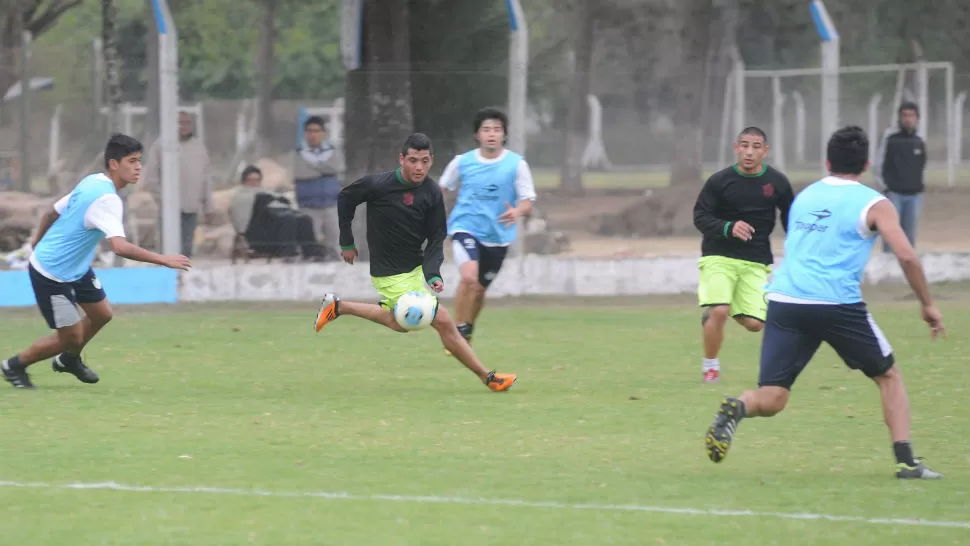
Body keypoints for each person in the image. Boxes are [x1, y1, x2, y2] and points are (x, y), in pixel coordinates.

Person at [704, 125, 945, 480]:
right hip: (835, 304)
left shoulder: (806, 196)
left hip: (785, 299)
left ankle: (739, 405)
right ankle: (907, 463)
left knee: (772, 396)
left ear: (827, 161)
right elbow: (907, 256)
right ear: (865, 164)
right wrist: (927, 304)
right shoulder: (875, 203)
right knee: (888, 375)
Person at [313, 133, 517, 392]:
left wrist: (433, 273)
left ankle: (338, 307)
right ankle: (489, 378)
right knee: (442, 321)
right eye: (412, 160)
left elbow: (435, 238)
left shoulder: (431, 192)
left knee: (400, 323)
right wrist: (346, 241)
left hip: (414, 270)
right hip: (388, 273)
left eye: (424, 161)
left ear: (431, 161)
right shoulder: (379, 185)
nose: (419, 167)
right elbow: (346, 198)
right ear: (402, 159)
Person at [2, 134, 192, 390]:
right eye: (132, 161)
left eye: (139, 161)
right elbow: (120, 247)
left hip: (76, 268)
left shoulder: (93, 181)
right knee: (71, 337)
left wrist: (37, 240)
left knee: (102, 314)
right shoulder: (107, 199)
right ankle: (15, 365)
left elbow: (52, 211)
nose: (138, 167)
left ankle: (69, 360)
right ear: (114, 164)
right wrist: (163, 259)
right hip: (52, 274)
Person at [693, 127, 794, 384]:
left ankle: (720, 312)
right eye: (745, 145)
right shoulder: (719, 181)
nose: (749, 152)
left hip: (755, 260)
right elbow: (700, 216)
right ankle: (711, 367)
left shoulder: (778, 183)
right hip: (718, 255)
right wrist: (728, 227)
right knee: (719, 311)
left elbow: (792, 219)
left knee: (754, 324)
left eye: (756, 146)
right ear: (736, 147)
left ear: (765, 151)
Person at [438, 108, 537, 353]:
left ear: (504, 135)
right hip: (465, 227)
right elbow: (441, 189)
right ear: (477, 135)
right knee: (469, 278)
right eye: (486, 130)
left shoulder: (517, 164)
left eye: (497, 130)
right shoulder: (462, 162)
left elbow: (527, 201)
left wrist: (516, 212)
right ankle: (457, 332)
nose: (491, 134)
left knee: (480, 289)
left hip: (498, 236)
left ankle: (468, 327)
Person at [143, 111, 214, 257]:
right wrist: (163, 199)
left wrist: (208, 206)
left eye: (187, 122)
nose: (184, 126)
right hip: (169, 209)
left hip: (191, 208)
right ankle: (167, 278)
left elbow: (205, 178)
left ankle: (183, 278)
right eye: (180, 122)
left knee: (186, 251)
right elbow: (151, 177)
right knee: (167, 250)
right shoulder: (161, 146)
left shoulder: (199, 147)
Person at [229, 165, 324, 261]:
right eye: (251, 180)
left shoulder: (269, 193)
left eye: (257, 180)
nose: (254, 183)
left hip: (276, 228)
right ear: (244, 181)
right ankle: (288, 253)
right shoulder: (241, 196)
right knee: (287, 220)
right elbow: (241, 221)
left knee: (304, 219)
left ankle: (312, 253)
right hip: (257, 235)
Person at [874, 101, 927, 253]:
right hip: (893, 194)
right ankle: (888, 271)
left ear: (917, 118)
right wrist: (886, 188)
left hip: (914, 195)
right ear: (899, 117)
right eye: (904, 115)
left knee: (909, 238)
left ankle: (907, 271)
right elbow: (879, 163)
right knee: (891, 235)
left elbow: (922, 164)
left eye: (911, 115)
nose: (908, 119)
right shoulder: (889, 138)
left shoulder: (919, 139)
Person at [293, 116, 345, 261]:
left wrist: (314, 168)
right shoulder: (299, 152)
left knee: (335, 244)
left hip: (331, 205)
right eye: (309, 131)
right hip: (308, 206)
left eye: (316, 131)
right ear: (305, 133)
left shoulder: (332, 150)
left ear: (323, 133)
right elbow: (302, 173)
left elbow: (336, 167)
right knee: (310, 245)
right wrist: (324, 170)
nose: (313, 134)